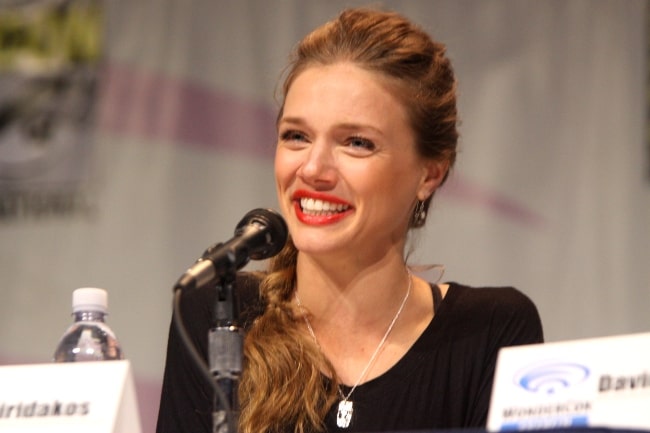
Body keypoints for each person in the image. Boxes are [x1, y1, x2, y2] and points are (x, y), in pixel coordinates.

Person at [156, 7, 543, 433]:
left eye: (356, 143)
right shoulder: (218, 314)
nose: (313, 169)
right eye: (296, 136)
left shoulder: (491, 332)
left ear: (429, 173)